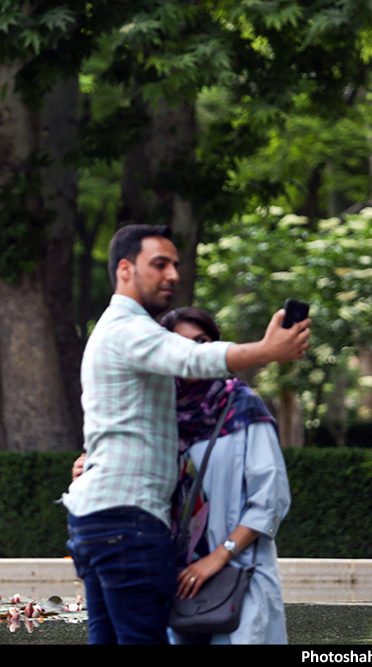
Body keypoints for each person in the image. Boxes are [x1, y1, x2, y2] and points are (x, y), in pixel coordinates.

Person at [61, 223, 309, 644]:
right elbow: (191, 360)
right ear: (125, 269)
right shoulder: (128, 327)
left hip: (100, 521)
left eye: (175, 264)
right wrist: (265, 351)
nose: (173, 274)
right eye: (159, 264)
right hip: (127, 524)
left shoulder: (116, 333)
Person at [163, 307, 289, 644]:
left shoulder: (242, 406)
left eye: (201, 341)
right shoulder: (155, 412)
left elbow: (271, 499)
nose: (191, 351)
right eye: (178, 342)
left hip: (238, 575)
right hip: (172, 581)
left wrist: (217, 557)